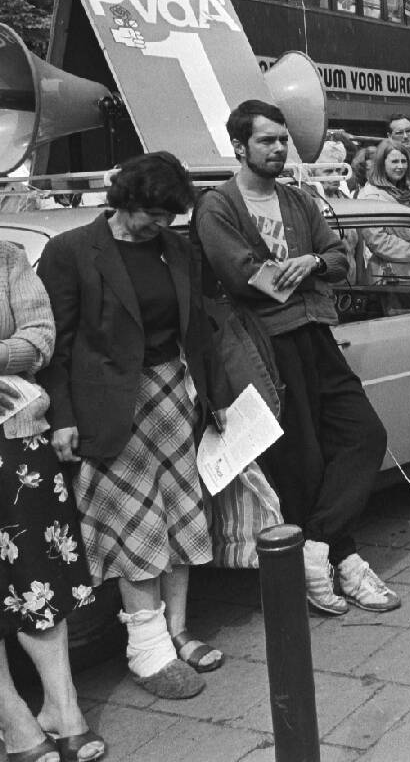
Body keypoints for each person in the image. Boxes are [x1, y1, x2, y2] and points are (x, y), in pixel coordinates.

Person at [197, 100, 399, 613]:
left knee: (365, 433)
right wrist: (304, 268)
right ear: (239, 146)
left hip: (317, 335)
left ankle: (319, 547)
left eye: (282, 139)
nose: (279, 148)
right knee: (303, 460)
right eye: (266, 140)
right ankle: (343, 561)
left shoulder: (299, 199)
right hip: (267, 345)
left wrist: (309, 261)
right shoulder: (218, 205)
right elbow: (242, 274)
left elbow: (337, 256)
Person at [38, 151, 217, 702]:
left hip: (172, 398)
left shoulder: (177, 248)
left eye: (170, 217)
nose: (162, 226)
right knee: (135, 523)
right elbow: (56, 346)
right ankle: (148, 648)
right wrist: (62, 417)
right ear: (128, 200)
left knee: (181, 516)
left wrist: (217, 397)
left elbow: (198, 326)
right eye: (154, 215)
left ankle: (179, 629)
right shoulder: (71, 251)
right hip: (110, 409)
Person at [0, 242, 108, 762]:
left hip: (16, 438)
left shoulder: (6, 257)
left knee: (37, 577)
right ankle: (15, 721)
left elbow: (40, 338)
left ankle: (62, 710)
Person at [356, 139, 410, 293]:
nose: (400, 166)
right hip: (389, 277)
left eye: (404, 161)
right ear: (381, 164)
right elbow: (378, 240)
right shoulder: (370, 195)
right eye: (394, 161)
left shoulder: (405, 192)